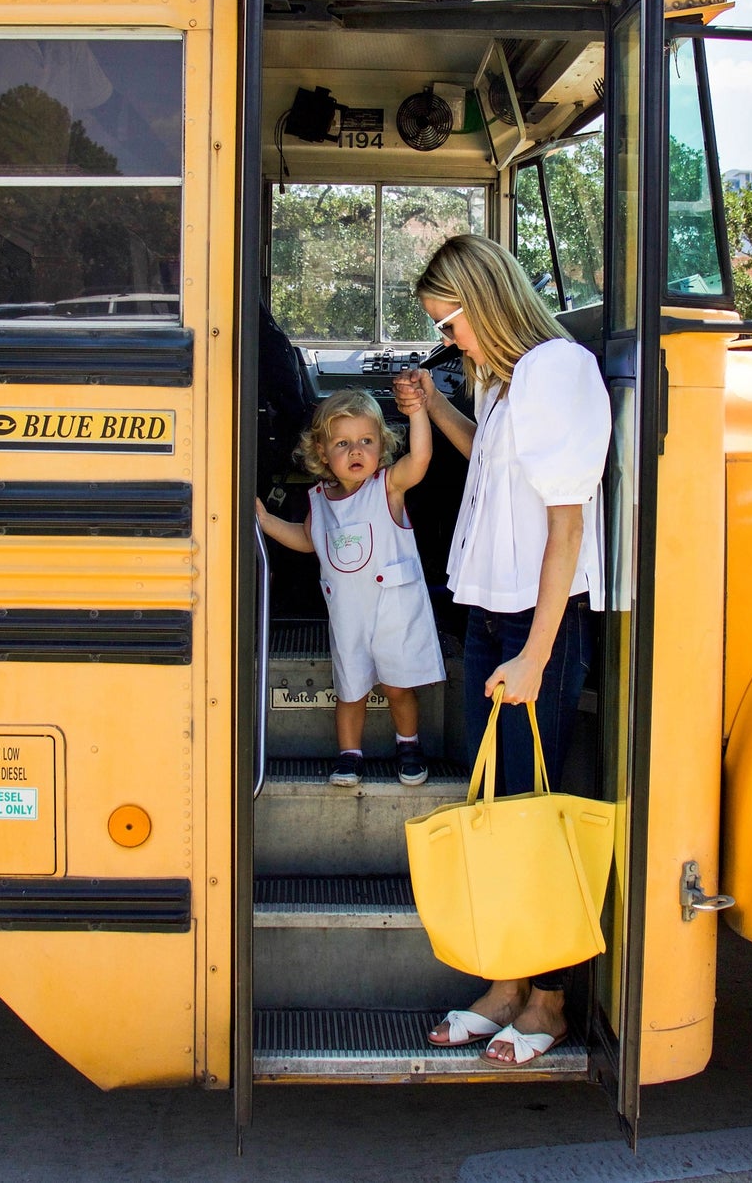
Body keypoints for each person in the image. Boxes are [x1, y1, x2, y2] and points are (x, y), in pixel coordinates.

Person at [395, 233, 609, 1069]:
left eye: (450, 324)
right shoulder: (509, 380)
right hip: (496, 617)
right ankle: (506, 985)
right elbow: (487, 456)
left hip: (534, 627)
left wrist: (536, 656)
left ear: (483, 303)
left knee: (532, 811)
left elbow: (567, 524)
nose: (449, 340)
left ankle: (548, 998)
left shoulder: (557, 370)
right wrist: (430, 407)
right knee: (504, 808)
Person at [255, 387, 445, 788]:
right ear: (323, 454)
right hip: (348, 613)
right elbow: (309, 540)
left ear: (381, 447)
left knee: (398, 685)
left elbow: (422, 458)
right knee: (350, 687)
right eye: (343, 443)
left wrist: (418, 414)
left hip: (394, 609)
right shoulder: (320, 500)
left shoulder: (388, 487)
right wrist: (266, 521)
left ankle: (408, 744)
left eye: (366, 441)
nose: (356, 451)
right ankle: (349, 754)